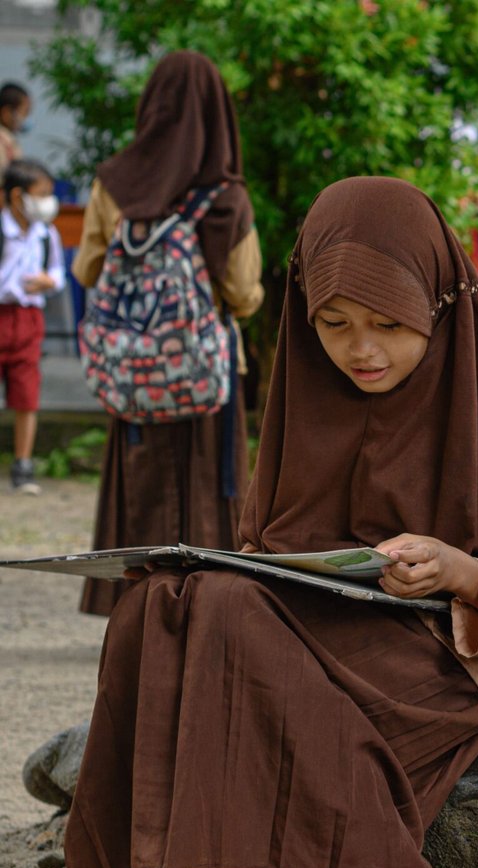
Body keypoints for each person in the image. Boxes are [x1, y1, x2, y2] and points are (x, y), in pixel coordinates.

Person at [35, 176, 478, 868]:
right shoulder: (307, 389)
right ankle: (154, 867)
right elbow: (264, 544)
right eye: (334, 323)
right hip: (309, 625)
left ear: (438, 302)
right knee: (159, 601)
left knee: (232, 611)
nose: (362, 350)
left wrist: (460, 567)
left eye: (389, 325)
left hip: (438, 657)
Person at [73, 51, 265, 617]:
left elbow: (87, 270)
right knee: (209, 494)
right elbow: (243, 292)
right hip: (205, 377)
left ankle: (134, 612)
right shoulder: (225, 196)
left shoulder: (114, 186)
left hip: (135, 371)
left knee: (140, 488)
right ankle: (206, 612)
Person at [0, 159, 64, 494]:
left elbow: (58, 273)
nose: (47, 202)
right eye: (41, 194)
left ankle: (23, 466)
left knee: (26, 394)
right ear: (17, 196)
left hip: (28, 320)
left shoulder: (46, 234)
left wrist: (47, 281)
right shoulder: (3, 231)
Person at [0, 82, 31, 171]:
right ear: (6, 113)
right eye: (25, 112)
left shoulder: (8, 141)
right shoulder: (4, 143)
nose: (26, 118)